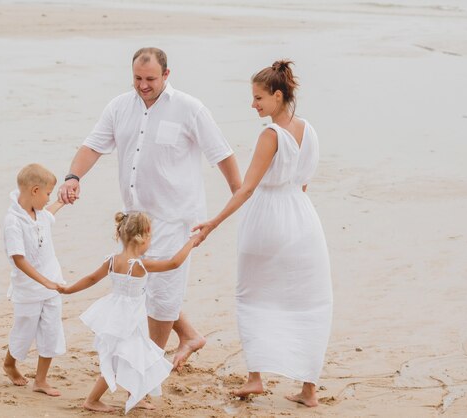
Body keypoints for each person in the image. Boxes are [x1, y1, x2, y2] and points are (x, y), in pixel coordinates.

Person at [58, 47, 241, 370]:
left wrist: (239, 196)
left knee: (163, 293)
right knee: (134, 282)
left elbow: (222, 155)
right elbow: (92, 146)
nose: (143, 85)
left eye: (150, 79)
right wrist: (73, 177)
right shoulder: (119, 106)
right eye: (137, 78)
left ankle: (148, 365)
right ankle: (189, 336)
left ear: (167, 75)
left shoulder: (190, 109)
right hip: (135, 218)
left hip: (176, 217)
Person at [192, 60, 333, 407]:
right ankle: (308, 390)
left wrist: (212, 223)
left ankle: (256, 377)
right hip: (303, 222)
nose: (253, 105)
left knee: (253, 297)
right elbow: (303, 182)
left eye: (258, 98)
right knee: (307, 301)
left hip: (267, 221)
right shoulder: (308, 130)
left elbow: (246, 189)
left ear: (278, 95)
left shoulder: (271, 135)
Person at [55, 211, 198, 413]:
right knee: (118, 359)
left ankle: (135, 396)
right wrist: (192, 242)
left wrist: (68, 289)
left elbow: (91, 279)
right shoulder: (139, 265)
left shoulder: (113, 260)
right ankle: (92, 400)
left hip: (116, 314)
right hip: (129, 318)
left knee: (130, 355)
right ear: (145, 236)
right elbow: (174, 263)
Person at [2, 163, 68, 396]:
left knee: (51, 330)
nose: (49, 198)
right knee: (24, 330)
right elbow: (19, 259)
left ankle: (41, 380)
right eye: (49, 193)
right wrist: (45, 282)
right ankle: (10, 364)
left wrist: (61, 201)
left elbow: (48, 214)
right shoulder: (13, 222)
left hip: (52, 284)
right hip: (29, 288)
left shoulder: (39, 213)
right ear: (35, 191)